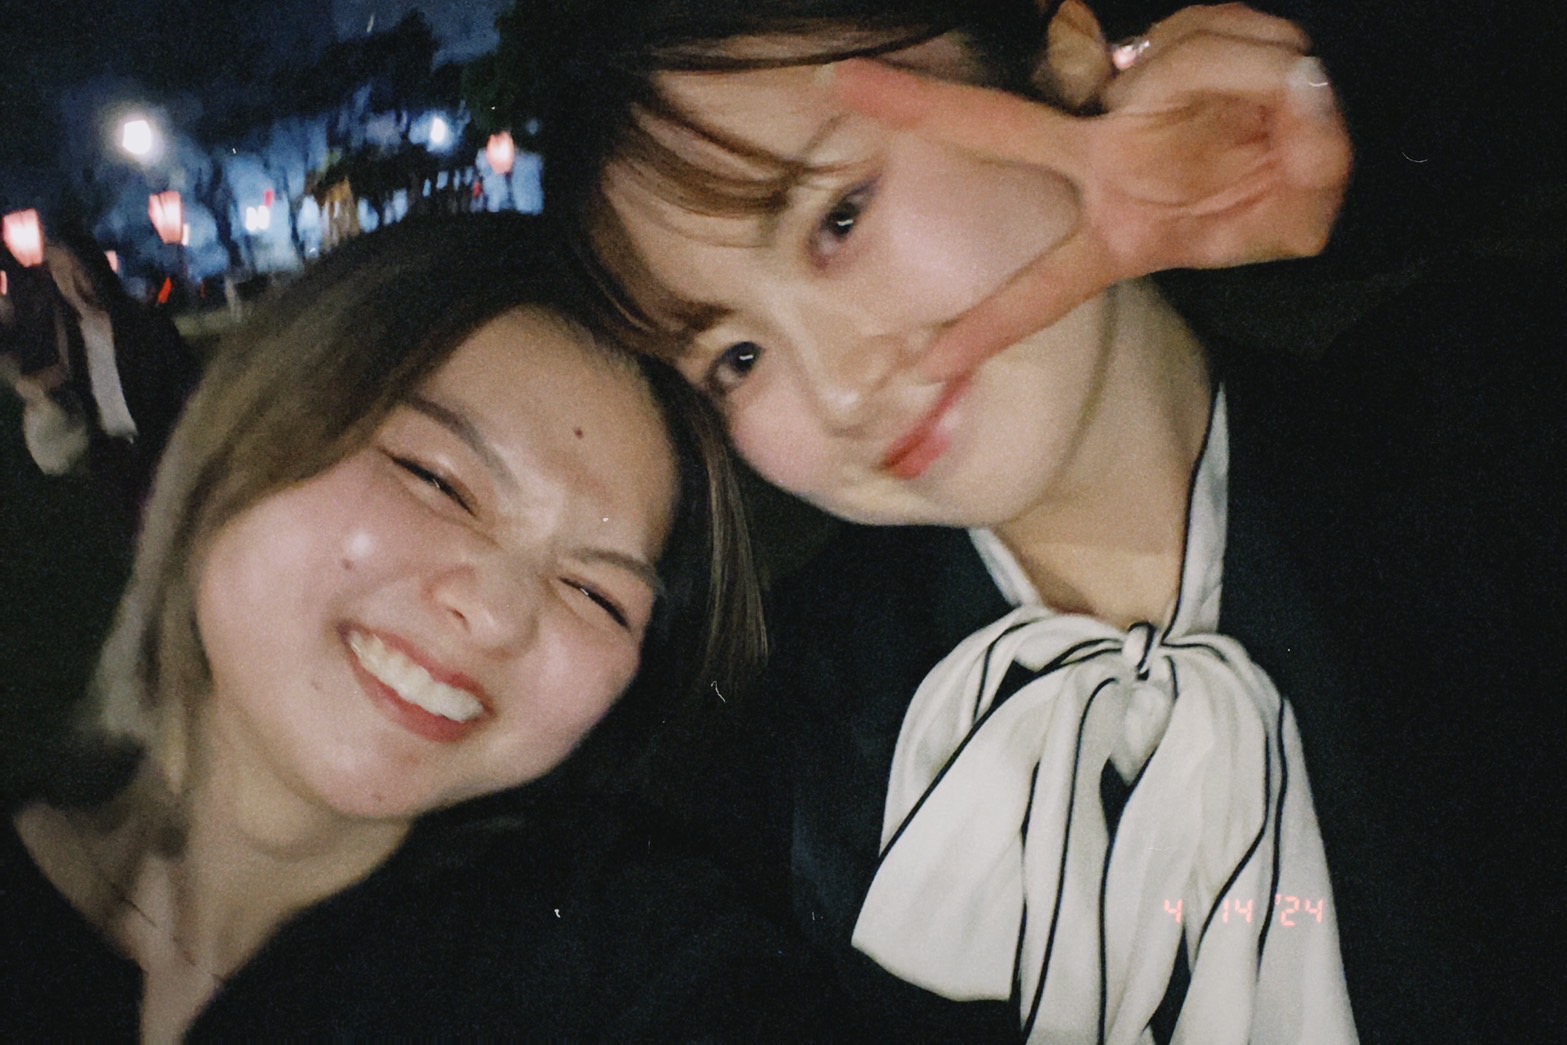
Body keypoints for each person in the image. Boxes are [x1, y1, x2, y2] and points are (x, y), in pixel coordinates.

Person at [536, 1, 1564, 1040]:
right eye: (737, 358)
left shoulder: (1491, 426)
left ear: (1064, 60)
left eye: (838, 218)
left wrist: (1367, 100)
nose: (840, 391)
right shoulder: (777, 760)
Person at [1, 213, 803, 1039]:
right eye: (436, 479)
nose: (495, 614)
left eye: (595, 593)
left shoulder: (613, 953)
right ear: (239, 434)